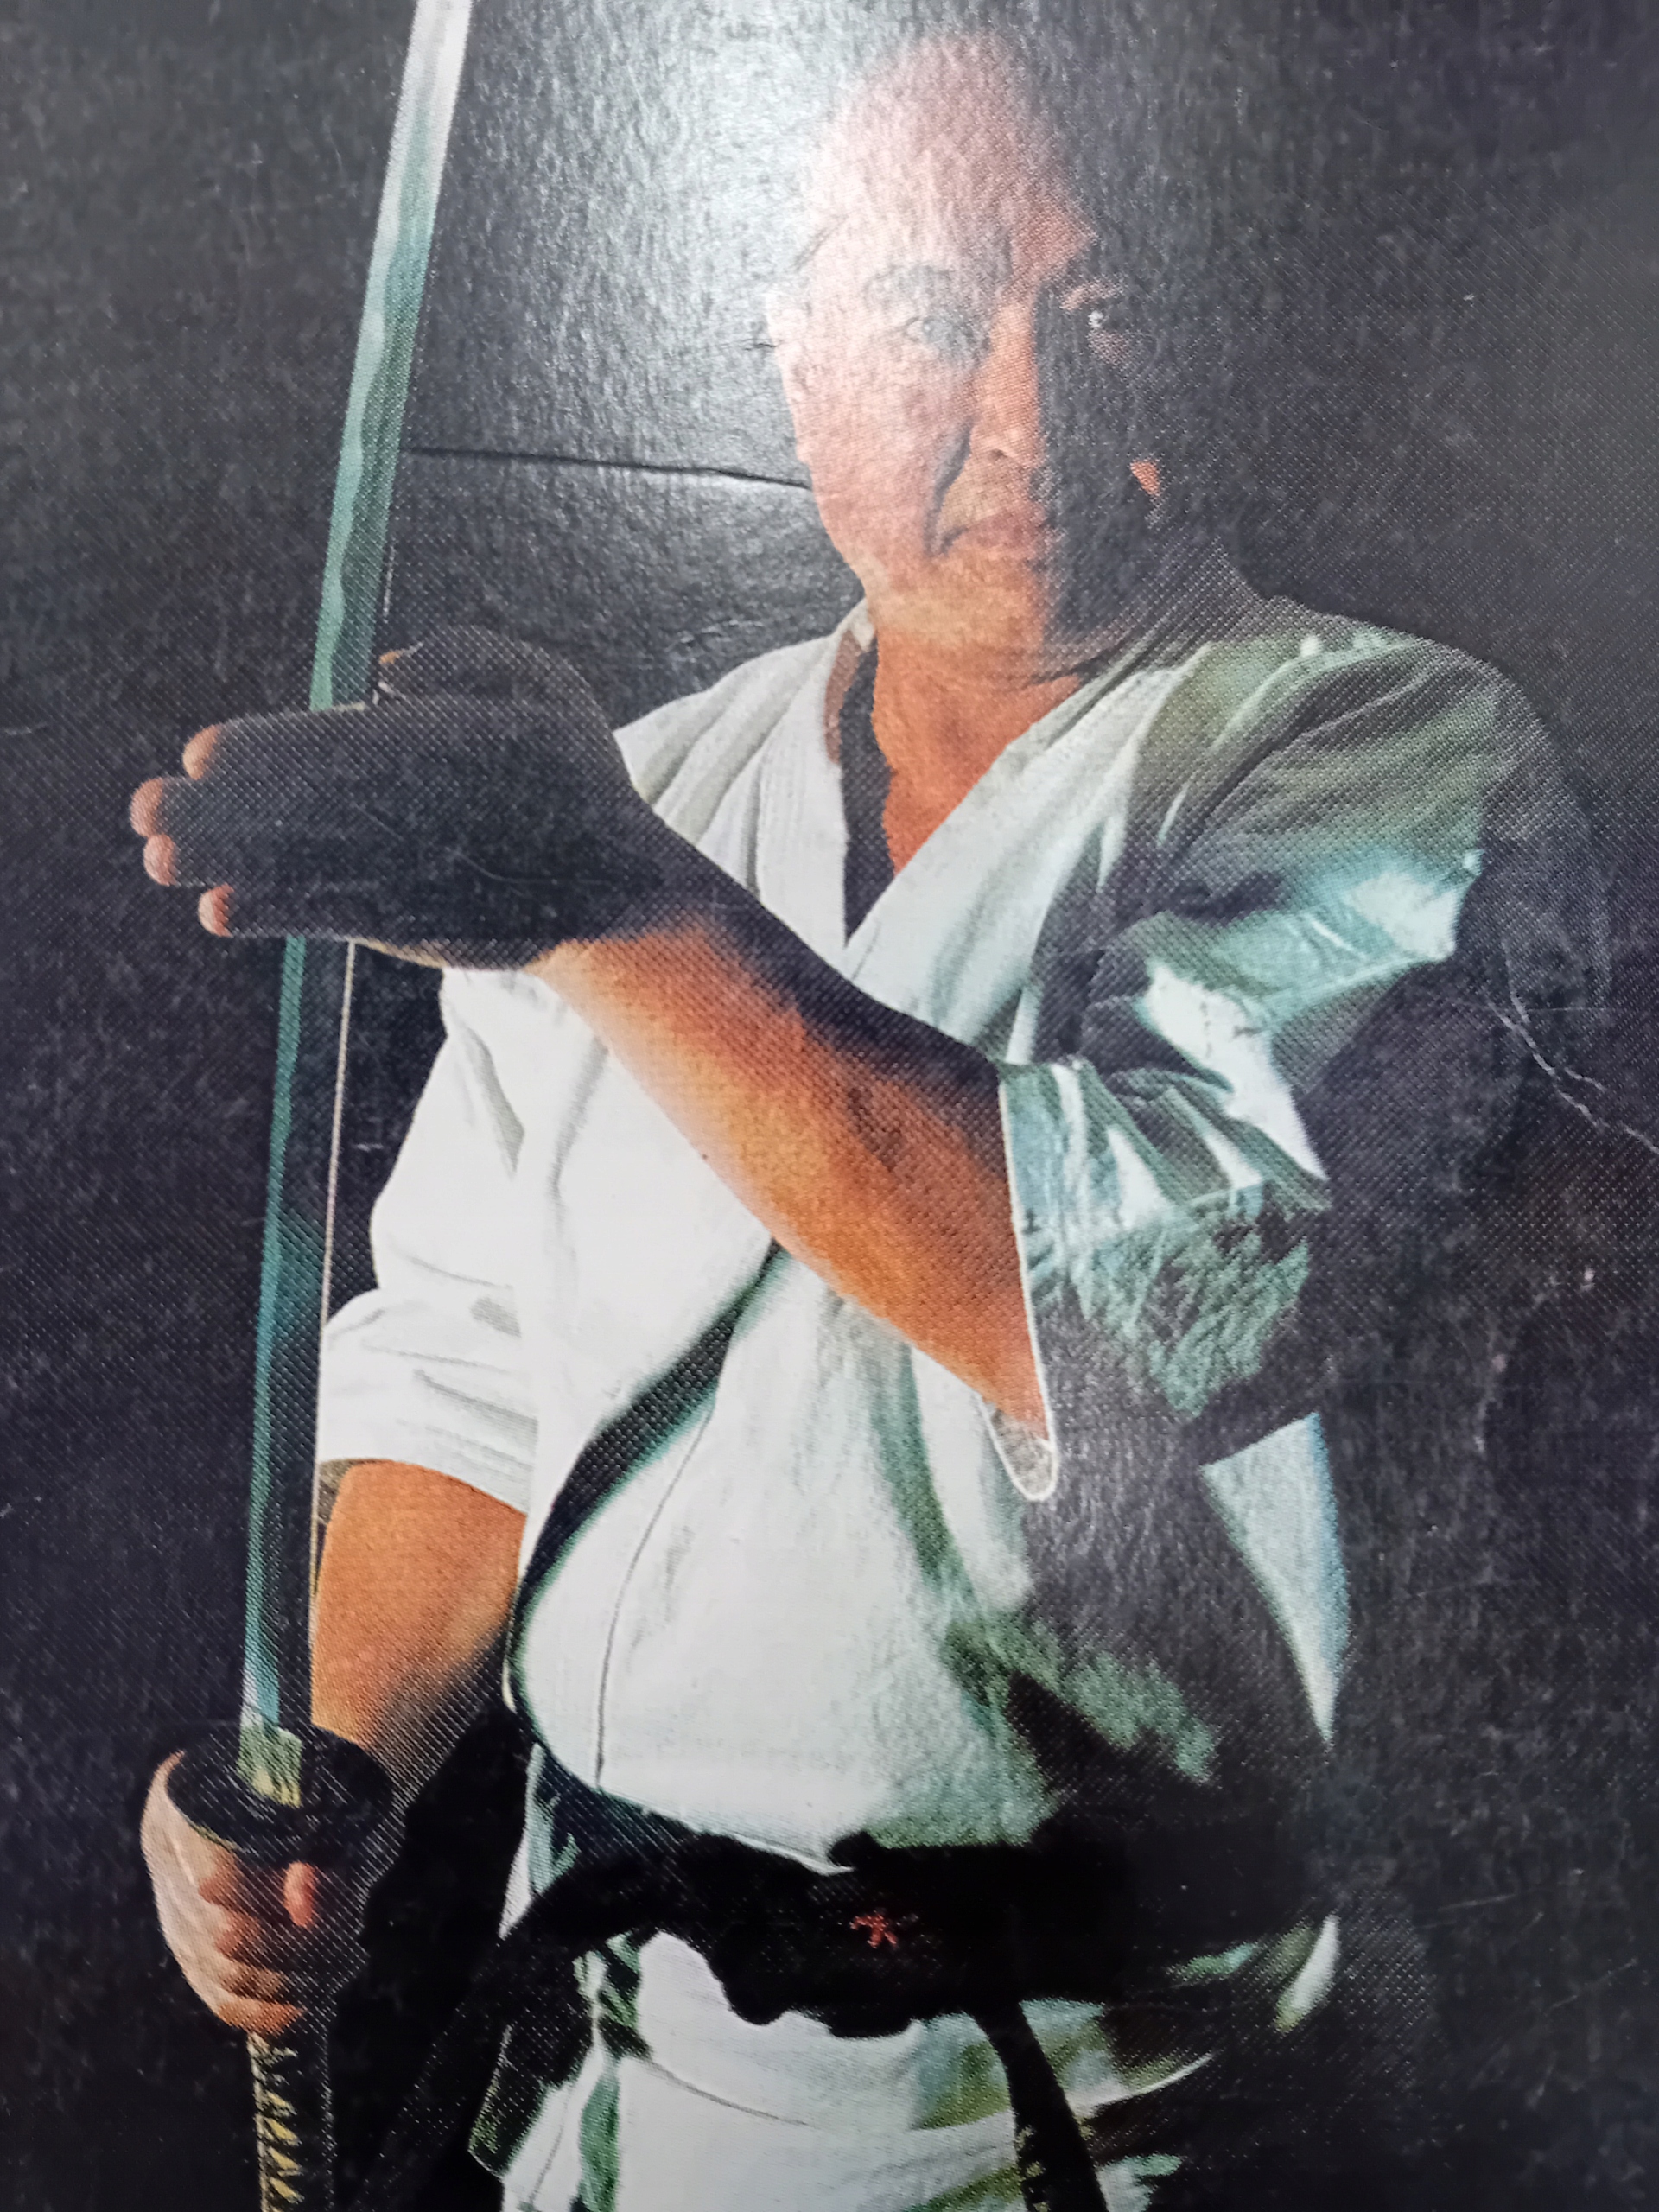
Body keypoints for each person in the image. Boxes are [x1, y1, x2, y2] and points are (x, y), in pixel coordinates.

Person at [132, 17, 1604, 2210]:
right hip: (615, 2076)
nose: (1029, 414)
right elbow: (475, 1386)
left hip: (1119, 2103)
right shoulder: (659, 778)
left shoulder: (1384, 750)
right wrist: (325, 1772)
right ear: (787, 350)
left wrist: (610, 907)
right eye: (928, 315)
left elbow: (1136, 1301)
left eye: (1103, 310)